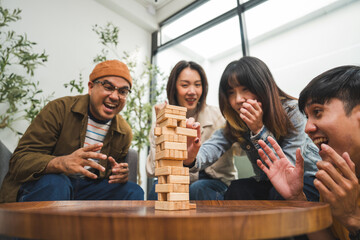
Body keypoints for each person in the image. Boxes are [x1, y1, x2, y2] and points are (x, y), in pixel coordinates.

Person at [0, 59, 144, 203]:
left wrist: (119, 175)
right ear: (91, 87)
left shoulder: (124, 132)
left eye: (123, 91)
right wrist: (61, 162)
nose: (114, 96)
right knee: (57, 182)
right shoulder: (59, 109)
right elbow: (18, 162)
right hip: (46, 183)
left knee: (133, 191)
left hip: (86, 188)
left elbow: (108, 176)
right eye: (108, 87)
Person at [184, 56, 320, 202]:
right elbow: (214, 146)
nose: (238, 99)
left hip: (306, 180)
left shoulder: (293, 112)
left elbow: (288, 170)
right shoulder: (237, 122)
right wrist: (191, 158)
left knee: (278, 194)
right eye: (231, 93)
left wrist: (258, 129)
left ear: (262, 87)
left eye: (245, 89)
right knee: (238, 189)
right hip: (269, 182)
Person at [256, 65, 360, 240]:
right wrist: (298, 200)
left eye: (317, 112)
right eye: (307, 117)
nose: (307, 128)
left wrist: (353, 219)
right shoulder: (332, 179)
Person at [146, 60, 238, 200]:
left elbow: (241, 150)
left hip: (215, 183)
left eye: (197, 85)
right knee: (157, 189)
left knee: (198, 188)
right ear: (174, 88)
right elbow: (153, 170)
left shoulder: (219, 116)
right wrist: (162, 129)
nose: (192, 91)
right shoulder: (162, 118)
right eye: (184, 85)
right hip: (177, 180)